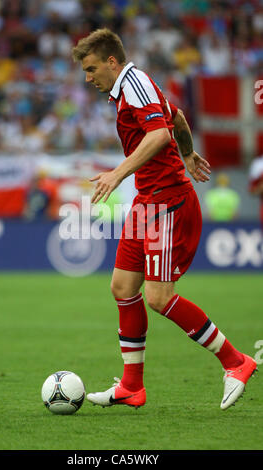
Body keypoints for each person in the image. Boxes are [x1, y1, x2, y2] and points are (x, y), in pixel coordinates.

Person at [72, 28, 257, 411]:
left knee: (159, 297)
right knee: (123, 287)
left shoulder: (134, 82)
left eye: (91, 69)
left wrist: (117, 173)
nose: (88, 78)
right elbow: (176, 117)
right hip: (147, 201)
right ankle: (131, 387)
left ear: (111, 61)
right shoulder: (128, 89)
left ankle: (237, 362)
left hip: (168, 203)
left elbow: (158, 134)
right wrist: (188, 153)